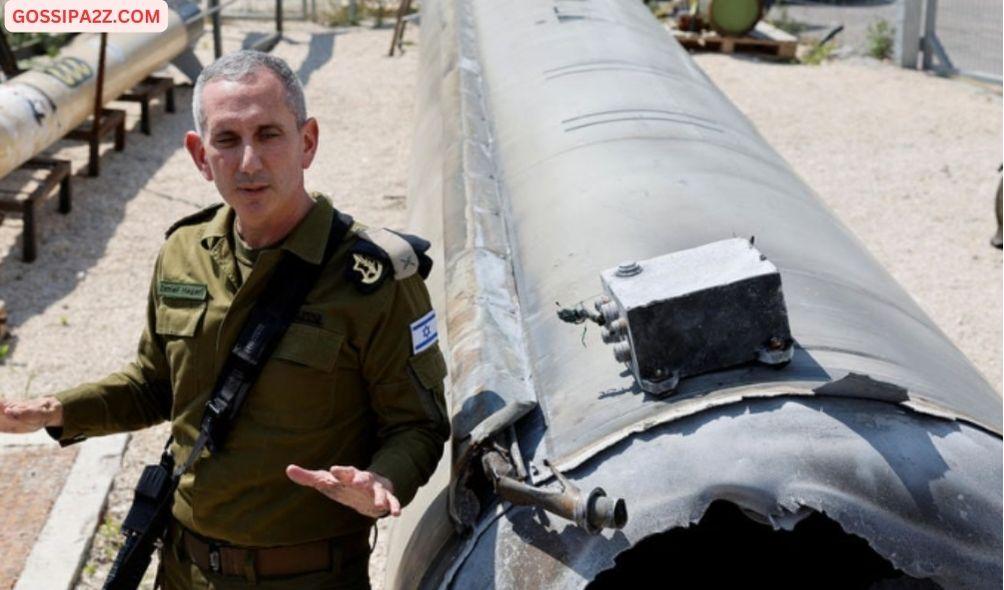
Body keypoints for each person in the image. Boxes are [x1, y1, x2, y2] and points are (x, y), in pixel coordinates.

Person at [0, 50, 450, 589]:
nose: (249, 162)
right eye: (227, 140)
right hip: (182, 569)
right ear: (198, 154)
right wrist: (53, 411)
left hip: (304, 579)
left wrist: (381, 481)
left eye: (269, 134)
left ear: (307, 142)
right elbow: (153, 385)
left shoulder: (372, 279)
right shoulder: (183, 252)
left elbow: (417, 425)